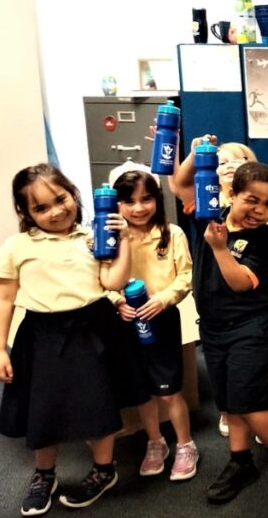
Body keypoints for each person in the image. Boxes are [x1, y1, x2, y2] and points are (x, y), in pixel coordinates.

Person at [0, 164, 147, 514]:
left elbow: (113, 283)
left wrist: (123, 242)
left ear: (73, 194)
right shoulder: (18, 246)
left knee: (99, 404)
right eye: (41, 208)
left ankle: (104, 471)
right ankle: (44, 474)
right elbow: (2, 298)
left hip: (94, 328)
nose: (56, 211)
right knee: (43, 409)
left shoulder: (93, 238)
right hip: (42, 334)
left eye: (61, 199)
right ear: (25, 212)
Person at [174, 155, 268, 504]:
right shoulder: (207, 216)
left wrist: (218, 248)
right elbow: (180, 184)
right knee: (230, 403)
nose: (260, 210)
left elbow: (241, 283)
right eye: (252, 199)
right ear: (231, 194)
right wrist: (194, 153)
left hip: (250, 328)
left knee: (250, 403)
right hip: (214, 330)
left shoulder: (262, 239)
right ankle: (241, 461)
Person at [109, 164, 198, 482]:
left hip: (162, 321)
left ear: (158, 199)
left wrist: (164, 299)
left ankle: (185, 443)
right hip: (127, 323)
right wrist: (117, 301)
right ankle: (155, 441)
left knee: (169, 390)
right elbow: (100, 280)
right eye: (129, 201)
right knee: (143, 391)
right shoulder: (111, 240)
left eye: (146, 199)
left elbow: (186, 276)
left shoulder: (171, 234)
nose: (138, 208)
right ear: (116, 204)